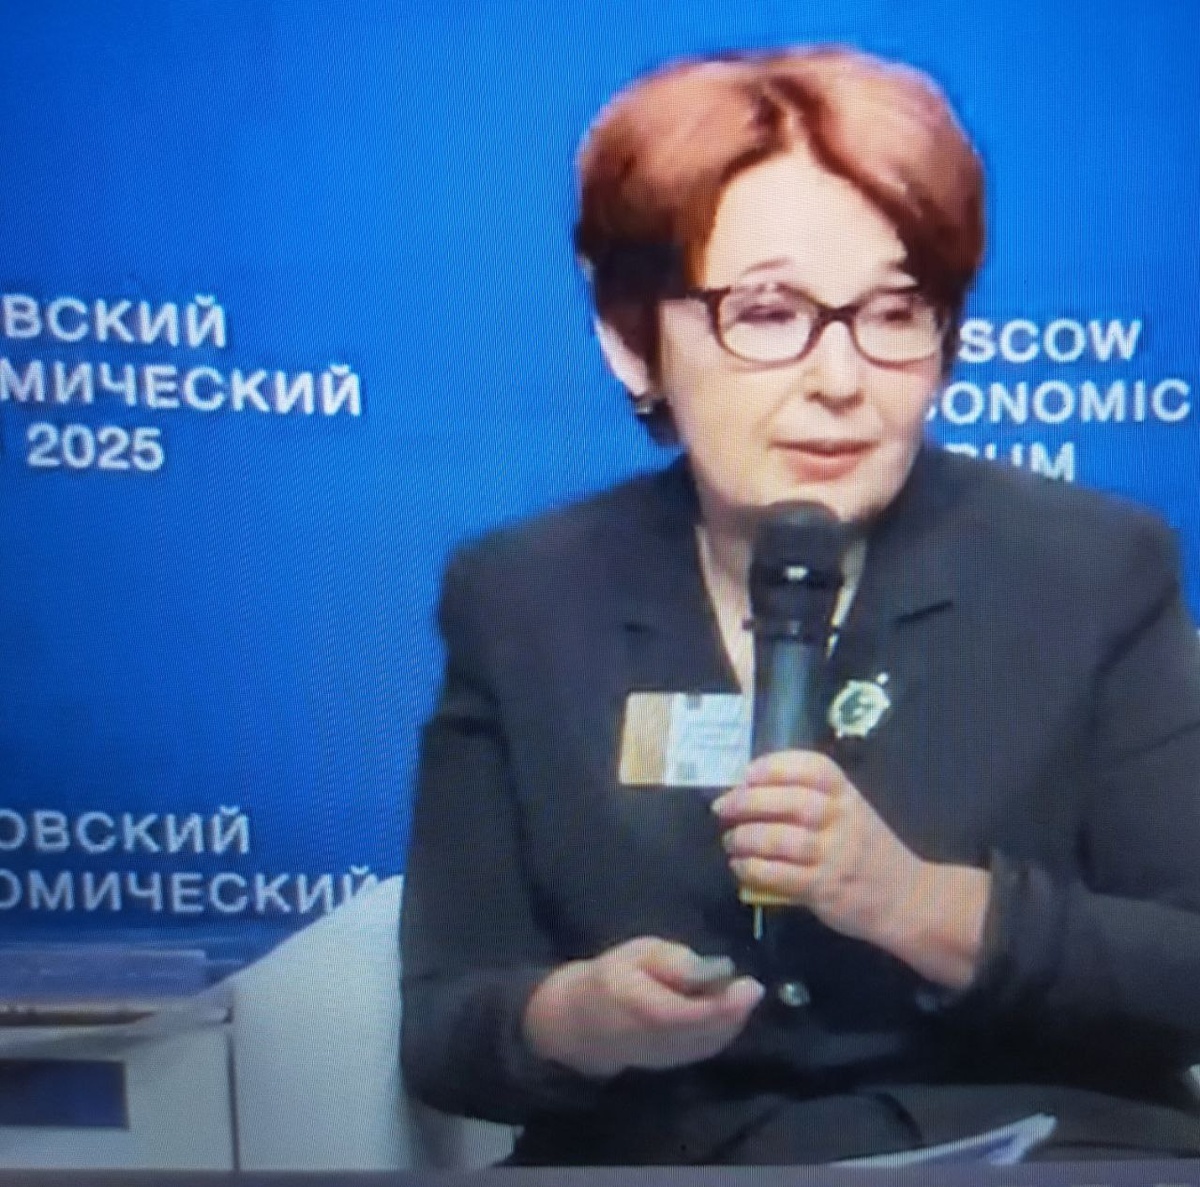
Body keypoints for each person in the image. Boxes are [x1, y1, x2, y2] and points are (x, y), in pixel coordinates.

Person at [400, 46, 1200, 1164]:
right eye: (769, 312)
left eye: (895, 312)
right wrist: (576, 1018)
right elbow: (443, 1028)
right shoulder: (522, 596)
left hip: (1031, 1152)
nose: (839, 379)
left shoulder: (1093, 569)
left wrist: (918, 903)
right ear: (632, 340)